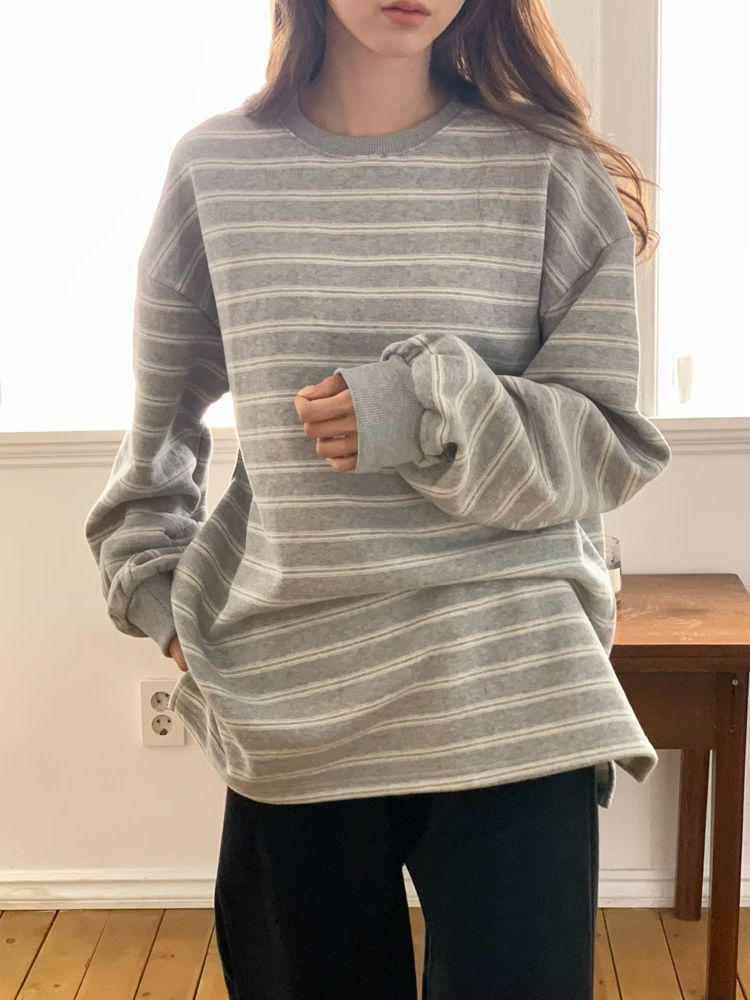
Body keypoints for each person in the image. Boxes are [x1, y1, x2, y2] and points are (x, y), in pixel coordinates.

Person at [84, 0, 672, 996]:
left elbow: (608, 445)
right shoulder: (216, 172)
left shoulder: (549, 168)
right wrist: (168, 609)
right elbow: (153, 453)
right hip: (293, 701)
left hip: (513, 690)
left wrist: (424, 410)